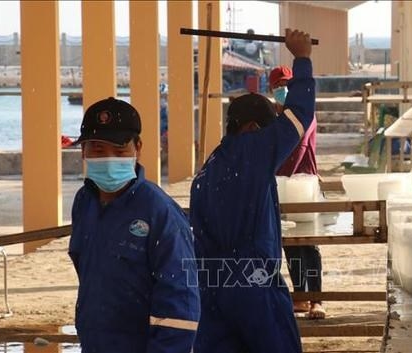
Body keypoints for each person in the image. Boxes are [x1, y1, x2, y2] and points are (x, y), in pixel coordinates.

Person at [189, 28, 314, 353]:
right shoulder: (253, 151)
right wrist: (301, 58)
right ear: (253, 129)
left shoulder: (208, 169)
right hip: (253, 285)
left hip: (212, 290)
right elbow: (300, 115)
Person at [68, 97, 200, 353]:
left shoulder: (159, 212)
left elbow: (181, 304)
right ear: (83, 151)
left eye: (119, 152)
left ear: (137, 148)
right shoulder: (84, 203)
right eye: (97, 150)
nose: (107, 159)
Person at [269, 65, 326, 319]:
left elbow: (298, 148)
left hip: (304, 185)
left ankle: (316, 299)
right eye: (278, 87)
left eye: (286, 86)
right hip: (283, 187)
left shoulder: (304, 114)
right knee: (290, 243)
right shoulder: (274, 117)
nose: (282, 91)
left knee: (309, 243)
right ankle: (300, 296)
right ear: (271, 90)